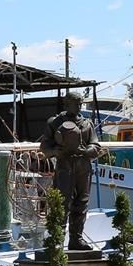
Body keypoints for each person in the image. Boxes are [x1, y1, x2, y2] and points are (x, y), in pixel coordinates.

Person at [40, 91, 100, 251]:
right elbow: (44, 147)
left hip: (83, 168)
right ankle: (58, 239)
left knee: (81, 203)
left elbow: (96, 146)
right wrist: (55, 151)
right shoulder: (55, 122)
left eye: (81, 103)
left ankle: (76, 239)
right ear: (67, 104)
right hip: (64, 167)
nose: (79, 106)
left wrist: (86, 151)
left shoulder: (87, 124)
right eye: (76, 103)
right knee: (61, 203)